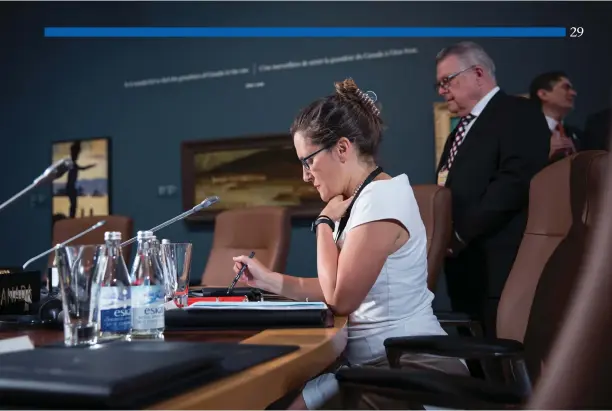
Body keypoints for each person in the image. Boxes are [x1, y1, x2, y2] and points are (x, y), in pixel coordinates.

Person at [232, 78, 468, 410]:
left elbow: (340, 299)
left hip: (409, 367)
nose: (305, 175)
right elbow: (337, 285)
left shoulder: (381, 199)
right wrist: (267, 279)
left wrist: (324, 224)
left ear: (342, 149)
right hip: (371, 363)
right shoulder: (364, 198)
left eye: (308, 161)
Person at [435, 42, 550, 337]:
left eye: (447, 81)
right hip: (463, 268)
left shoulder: (517, 112)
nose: (441, 90)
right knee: (475, 367)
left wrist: (460, 233)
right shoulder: (456, 133)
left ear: (477, 73)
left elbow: (514, 182)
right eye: (439, 84)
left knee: (503, 368)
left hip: (500, 267)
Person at [529, 71, 581, 162]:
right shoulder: (524, 131)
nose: (574, 93)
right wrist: (545, 155)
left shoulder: (578, 135)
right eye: (566, 87)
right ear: (543, 94)